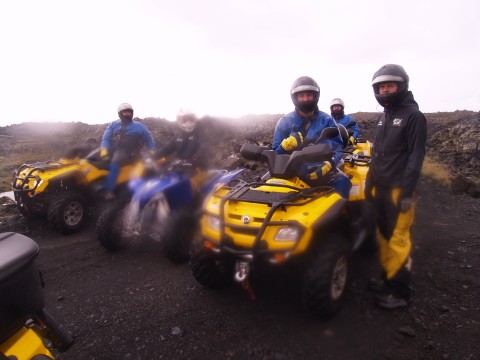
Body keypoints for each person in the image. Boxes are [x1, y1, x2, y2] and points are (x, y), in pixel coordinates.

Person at [365, 64, 427, 309]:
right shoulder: (385, 116)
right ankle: (387, 279)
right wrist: (370, 181)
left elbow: (415, 156)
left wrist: (406, 191)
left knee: (398, 240)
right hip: (380, 188)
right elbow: (377, 154)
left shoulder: (413, 116)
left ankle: (401, 293)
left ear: (402, 86)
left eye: (390, 85)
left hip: (399, 191)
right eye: (381, 86)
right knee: (384, 237)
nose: (385, 90)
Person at [272, 76, 352, 199]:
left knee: (343, 182)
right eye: (301, 96)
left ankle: (337, 216)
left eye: (309, 95)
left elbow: (337, 146)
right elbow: (275, 153)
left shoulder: (327, 120)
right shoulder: (284, 121)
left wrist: (330, 163)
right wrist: (284, 146)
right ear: (295, 98)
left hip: (322, 168)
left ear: (315, 96)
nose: (305, 99)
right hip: (292, 171)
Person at [100, 103, 156, 199]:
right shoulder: (113, 124)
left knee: (115, 162)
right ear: (120, 114)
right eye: (125, 112)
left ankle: (109, 190)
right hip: (116, 149)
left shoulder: (140, 126)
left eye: (129, 112)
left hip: (131, 151)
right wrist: (104, 149)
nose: (127, 114)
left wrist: (152, 151)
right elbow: (106, 139)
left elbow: (149, 139)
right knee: (97, 160)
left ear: (132, 113)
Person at [154, 110, 210, 195]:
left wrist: (196, 157)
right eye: (185, 119)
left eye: (191, 119)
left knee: (190, 189)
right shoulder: (178, 136)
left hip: (198, 168)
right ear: (179, 122)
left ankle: (194, 207)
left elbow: (205, 145)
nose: (188, 122)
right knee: (163, 179)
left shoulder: (200, 133)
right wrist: (152, 157)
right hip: (181, 167)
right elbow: (166, 149)